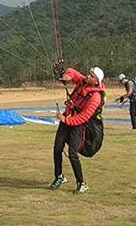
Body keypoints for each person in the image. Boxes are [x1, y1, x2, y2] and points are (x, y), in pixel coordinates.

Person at [50, 66, 105, 195]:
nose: (88, 77)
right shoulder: (82, 82)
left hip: (78, 125)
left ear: (97, 81)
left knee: (72, 153)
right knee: (57, 148)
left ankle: (81, 183)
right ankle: (59, 177)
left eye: (92, 76)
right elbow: (73, 73)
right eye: (88, 74)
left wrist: (65, 120)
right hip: (67, 118)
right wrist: (67, 75)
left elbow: (84, 116)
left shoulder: (95, 97)